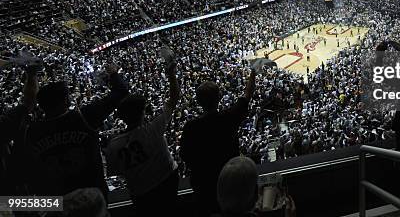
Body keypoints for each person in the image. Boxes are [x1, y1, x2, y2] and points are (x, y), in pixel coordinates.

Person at [16, 64, 128, 197]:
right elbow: (121, 92)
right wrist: (113, 73)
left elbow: (22, 175)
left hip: (56, 203)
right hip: (92, 196)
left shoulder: (32, 131)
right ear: (66, 100)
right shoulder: (83, 117)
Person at [105, 50, 180, 216]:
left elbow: (114, 172)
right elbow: (174, 97)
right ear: (143, 113)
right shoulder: (153, 129)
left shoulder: (114, 145)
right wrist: (171, 73)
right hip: (167, 183)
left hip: (140, 193)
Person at [180, 69, 256, 216]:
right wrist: (253, 72)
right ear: (219, 97)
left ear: (198, 101)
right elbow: (248, 95)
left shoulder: (191, 128)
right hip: (230, 180)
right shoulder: (228, 118)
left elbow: (184, 156)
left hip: (204, 185)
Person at [1, 59, 39, 194]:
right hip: (9, 197)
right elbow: (29, 102)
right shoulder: (3, 124)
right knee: (58, 205)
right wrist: (32, 74)